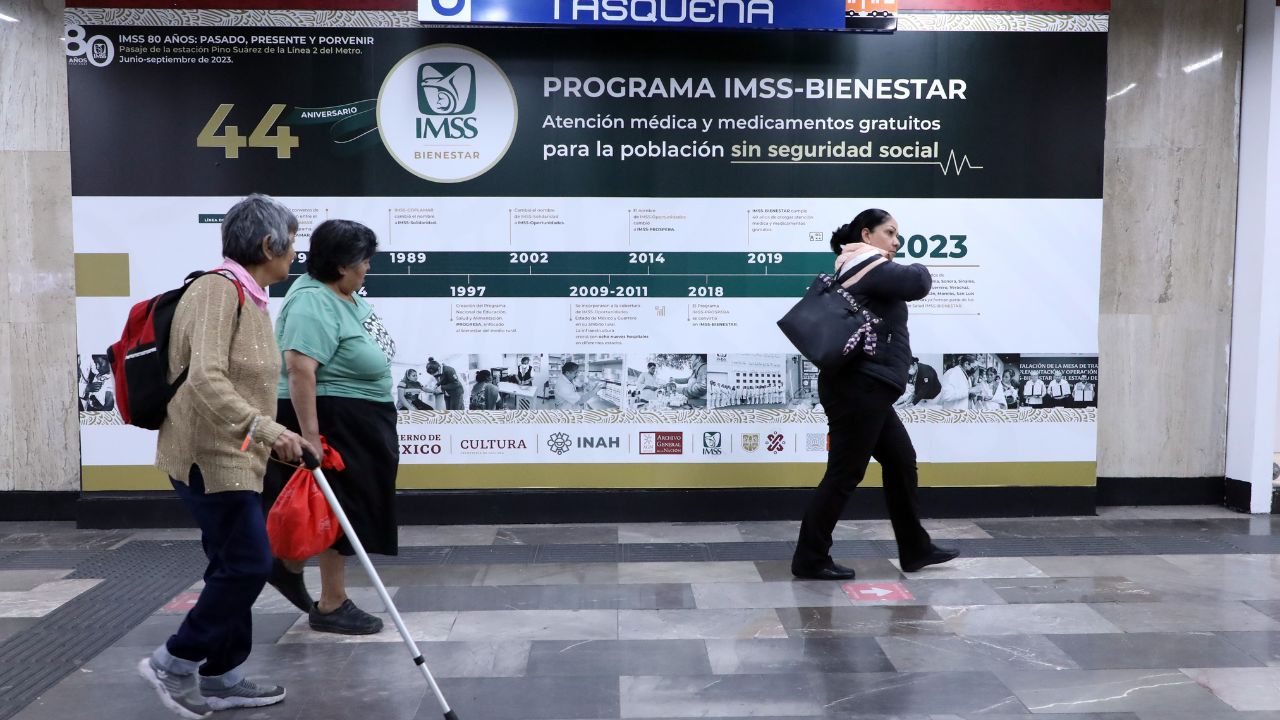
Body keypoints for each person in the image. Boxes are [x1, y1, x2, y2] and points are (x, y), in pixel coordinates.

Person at [141, 193, 312, 717]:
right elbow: (204, 380)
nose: (294, 256)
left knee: (230, 562)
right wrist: (265, 429)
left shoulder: (249, 293)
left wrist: (269, 436)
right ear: (268, 244)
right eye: (291, 245)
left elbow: (240, 382)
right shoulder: (218, 292)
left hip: (237, 456)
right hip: (211, 461)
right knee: (249, 563)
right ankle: (176, 660)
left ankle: (221, 675)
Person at [791, 209, 958, 581]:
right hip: (859, 387)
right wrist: (919, 265)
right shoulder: (864, 265)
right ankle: (810, 557)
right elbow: (918, 282)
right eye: (890, 233)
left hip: (867, 387)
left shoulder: (857, 266)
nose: (897, 242)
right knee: (844, 474)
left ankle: (915, 548)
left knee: (900, 461)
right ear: (866, 234)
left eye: (898, 235)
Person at [264, 219, 399, 636]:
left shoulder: (342, 294)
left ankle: (288, 567)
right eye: (364, 261)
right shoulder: (312, 302)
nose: (368, 269)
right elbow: (300, 369)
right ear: (342, 266)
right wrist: (309, 437)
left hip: (357, 416)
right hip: (331, 418)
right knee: (336, 507)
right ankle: (331, 602)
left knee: (344, 506)